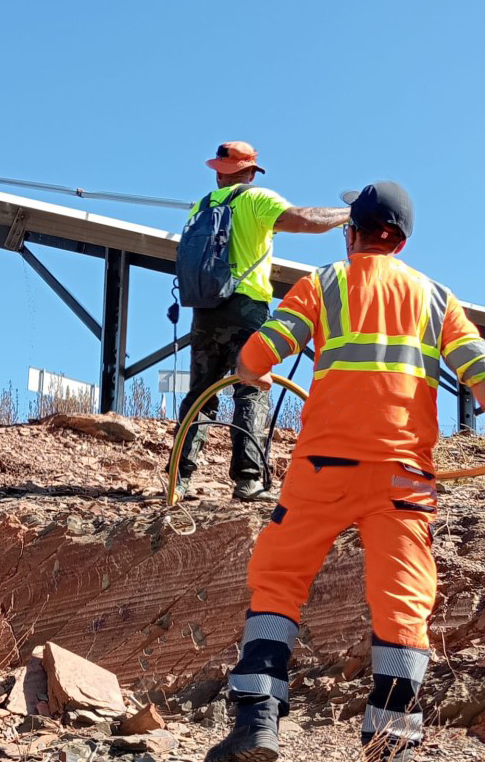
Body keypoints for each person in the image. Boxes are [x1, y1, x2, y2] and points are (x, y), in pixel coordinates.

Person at [207, 181, 485, 762]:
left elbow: (258, 357)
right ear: (402, 242)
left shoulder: (324, 283)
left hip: (322, 468)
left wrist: (251, 371)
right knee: (404, 603)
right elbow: (481, 374)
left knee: (279, 580)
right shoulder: (438, 299)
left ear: (351, 232)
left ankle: (256, 723)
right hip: (405, 477)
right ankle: (390, 743)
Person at [176, 141, 350, 502]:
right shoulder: (256, 199)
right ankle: (248, 480)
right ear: (252, 171)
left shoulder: (200, 206)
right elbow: (305, 220)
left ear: (218, 171)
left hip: (205, 308)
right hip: (246, 308)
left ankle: (179, 478)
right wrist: (349, 215)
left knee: (199, 396)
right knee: (251, 387)